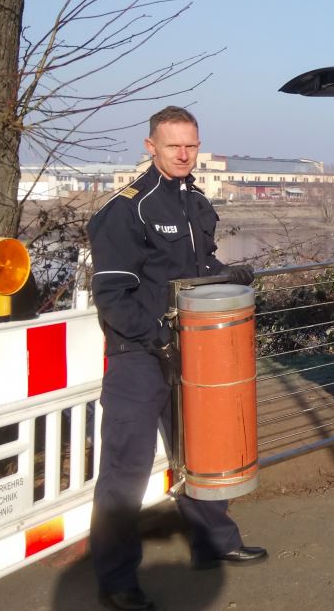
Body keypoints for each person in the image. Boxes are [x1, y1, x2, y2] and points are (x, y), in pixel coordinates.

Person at [87, 106, 265, 610]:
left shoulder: (194, 201)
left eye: (191, 145)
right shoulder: (127, 210)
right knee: (126, 467)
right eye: (173, 146)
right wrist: (153, 339)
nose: (184, 154)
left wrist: (225, 275)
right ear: (151, 147)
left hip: (192, 349)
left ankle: (215, 542)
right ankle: (117, 580)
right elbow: (114, 296)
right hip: (138, 356)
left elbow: (196, 268)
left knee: (200, 453)